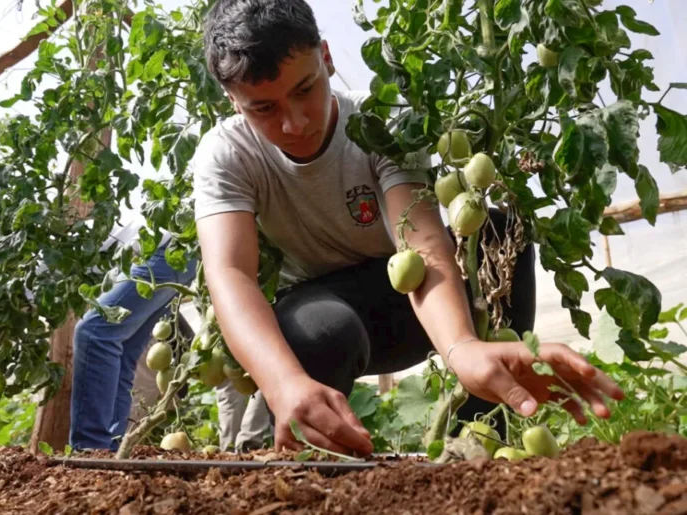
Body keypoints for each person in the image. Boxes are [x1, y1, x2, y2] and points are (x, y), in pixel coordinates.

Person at [192, 0, 625, 457]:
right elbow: (232, 274)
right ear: (232, 101)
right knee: (321, 330)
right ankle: (314, 456)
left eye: (305, 89)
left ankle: (478, 436)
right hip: (323, 321)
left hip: (411, 308)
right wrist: (283, 383)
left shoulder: (377, 125)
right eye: (263, 108)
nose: (294, 122)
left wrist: (461, 347)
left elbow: (419, 241)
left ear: (326, 57)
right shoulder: (227, 154)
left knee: (500, 233)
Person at [69, 225, 272, 451]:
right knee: (125, 346)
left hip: (172, 245)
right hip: (182, 245)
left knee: (93, 332)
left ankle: (90, 447)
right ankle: (112, 447)